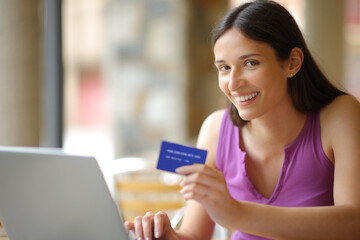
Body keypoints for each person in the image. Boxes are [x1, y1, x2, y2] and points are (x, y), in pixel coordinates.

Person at [124, 1, 360, 239]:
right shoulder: (215, 130)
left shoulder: (340, 116)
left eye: (250, 63)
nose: (234, 83)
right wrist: (167, 236)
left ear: (292, 62)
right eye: (224, 68)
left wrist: (237, 214)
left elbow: (354, 222)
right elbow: (194, 235)